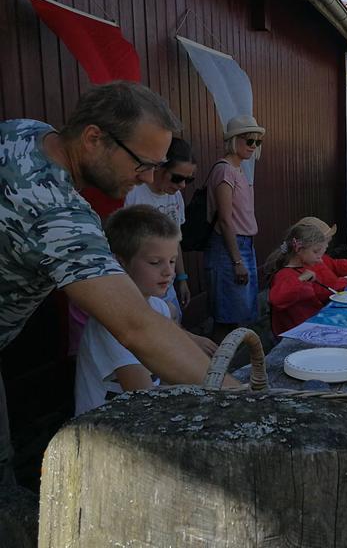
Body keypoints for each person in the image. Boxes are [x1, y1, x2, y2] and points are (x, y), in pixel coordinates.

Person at [0, 82, 230, 485]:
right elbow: (136, 326)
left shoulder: (25, 131)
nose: (148, 177)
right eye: (142, 164)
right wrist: (243, 397)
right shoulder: (59, 214)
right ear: (94, 138)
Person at [75, 206, 217, 415]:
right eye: (155, 262)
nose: (168, 272)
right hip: (102, 430)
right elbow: (143, 395)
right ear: (120, 263)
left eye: (172, 261)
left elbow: (172, 367)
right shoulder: (112, 320)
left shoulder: (158, 307)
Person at [205, 115, 264, 343]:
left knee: (237, 312)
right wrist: (237, 260)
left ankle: (225, 365)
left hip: (243, 244)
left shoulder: (238, 170)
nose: (253, 147)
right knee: (226, 315)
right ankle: (213, 369)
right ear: (234, 140)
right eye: (249, 141)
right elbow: (225, 219)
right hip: (229, 246)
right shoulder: (225, 170)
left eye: (257, 142)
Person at [125, 137, 197, 318]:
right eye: (177, 178)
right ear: (159, 167)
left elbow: (175, 241)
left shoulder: (175, 197)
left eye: (188, 180)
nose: (181, 186)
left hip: (167, 285)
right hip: (138, 287)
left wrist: (181, 278)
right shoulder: (133, 194)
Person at [267, 224, 330, 336]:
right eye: (315, 252)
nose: (320, 260)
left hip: (313, 327)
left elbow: (320, 293)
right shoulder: (283, 275)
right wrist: (301, 279)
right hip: (297, 335)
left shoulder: (304, 269)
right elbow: (276, 299)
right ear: (299, 249)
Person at [295, 216, 347, 292]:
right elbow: (325, 289)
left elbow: (335, 265)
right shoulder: (308, 264)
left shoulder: (318, 257)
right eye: (326, 242)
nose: (327, 246)